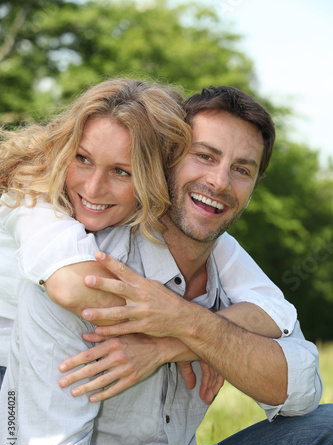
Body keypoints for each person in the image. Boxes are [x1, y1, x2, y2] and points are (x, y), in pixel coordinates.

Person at [1, 85, 330, 445]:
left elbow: (302, 379)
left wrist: (187, 334)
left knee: (327, 432)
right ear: (163, 160)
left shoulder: (224, 260)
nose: (219, 181)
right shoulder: (74, 262)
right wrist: (199, 337)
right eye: (205, 156)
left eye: (242, 169)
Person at [0, 78, 296, 399]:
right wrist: (197, 338)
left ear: (151, 176)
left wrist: (180, 343)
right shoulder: (32, 200)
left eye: (121, 171)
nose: (94, 187)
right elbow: (72, 286)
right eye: (82, 159)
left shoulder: (183, 232)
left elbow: (275, 312)